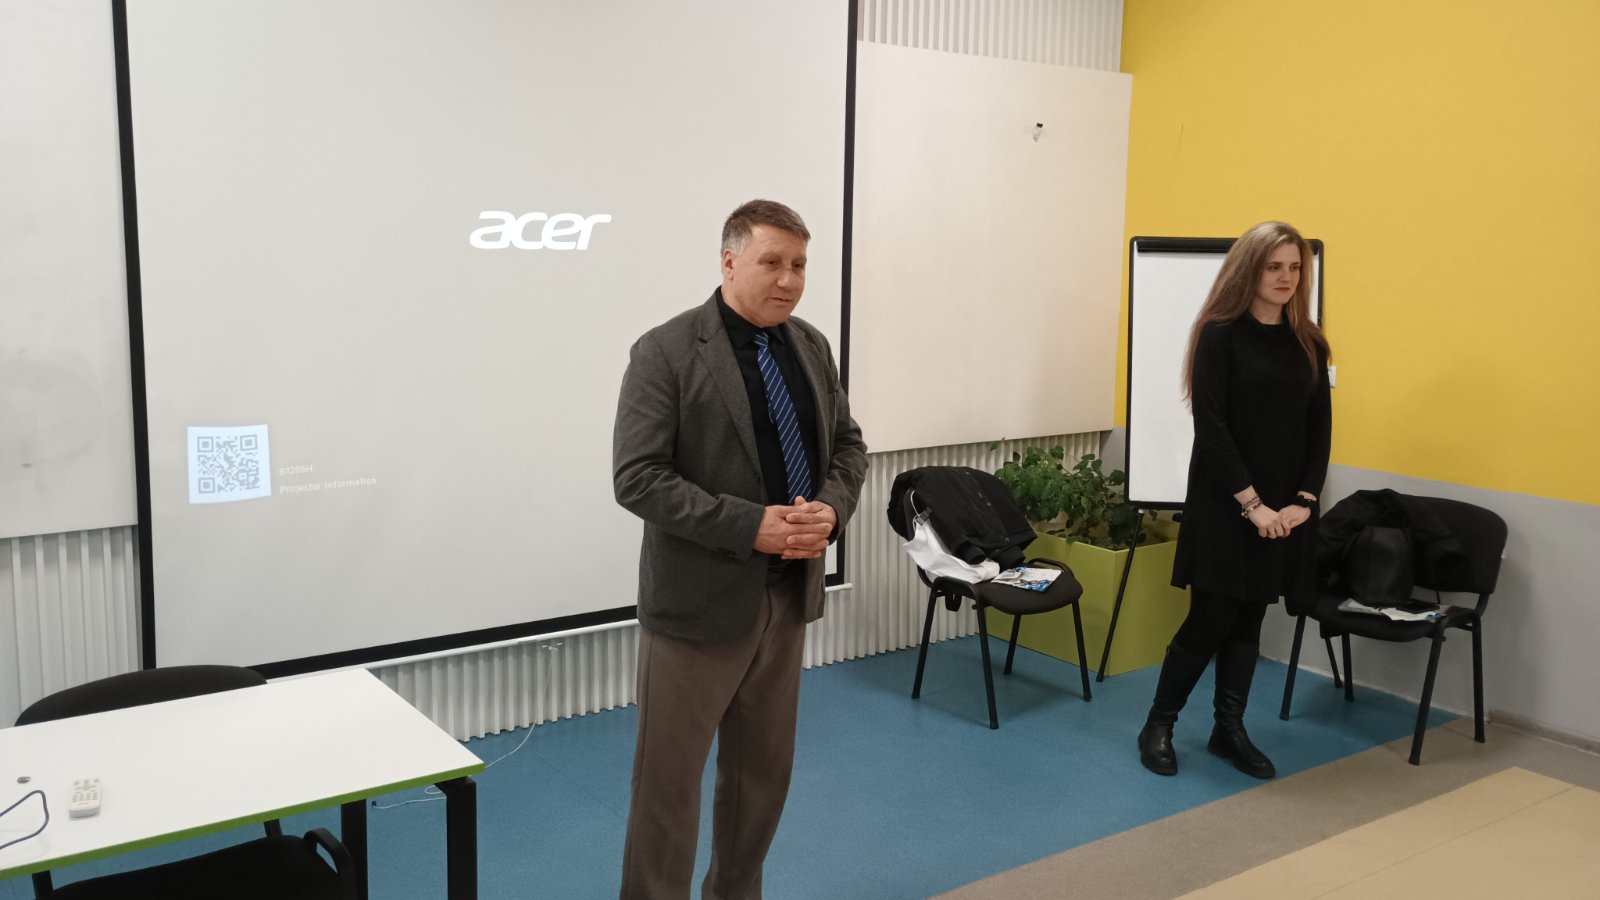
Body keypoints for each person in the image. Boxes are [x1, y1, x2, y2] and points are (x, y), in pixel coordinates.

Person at [612, 199, 868, 899]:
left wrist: (832, 509)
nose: (789, 279)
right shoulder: (665, 351)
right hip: (696, 608)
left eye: (800, 265)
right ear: (729, 262)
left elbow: (848, 445)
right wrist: (747, 525)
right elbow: (638, 478)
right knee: (668, 789)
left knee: (761, 780)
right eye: (772, 262)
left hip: (787, 598)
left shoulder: (810, 345)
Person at [1137, 221, 1331, 779]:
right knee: (1211, 617)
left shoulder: (1309, 341)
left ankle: (1229, 729)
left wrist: (1304, 501)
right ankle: (1158, 724)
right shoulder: (1219, 334)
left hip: (1282, 510)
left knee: (1250, 617)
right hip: (1226, 502)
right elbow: (1213, 429)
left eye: (1294, 268)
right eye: (1274, 267)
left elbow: (1319, 428)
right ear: (1249, 269)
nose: (1286, 278)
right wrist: (1252, 505)